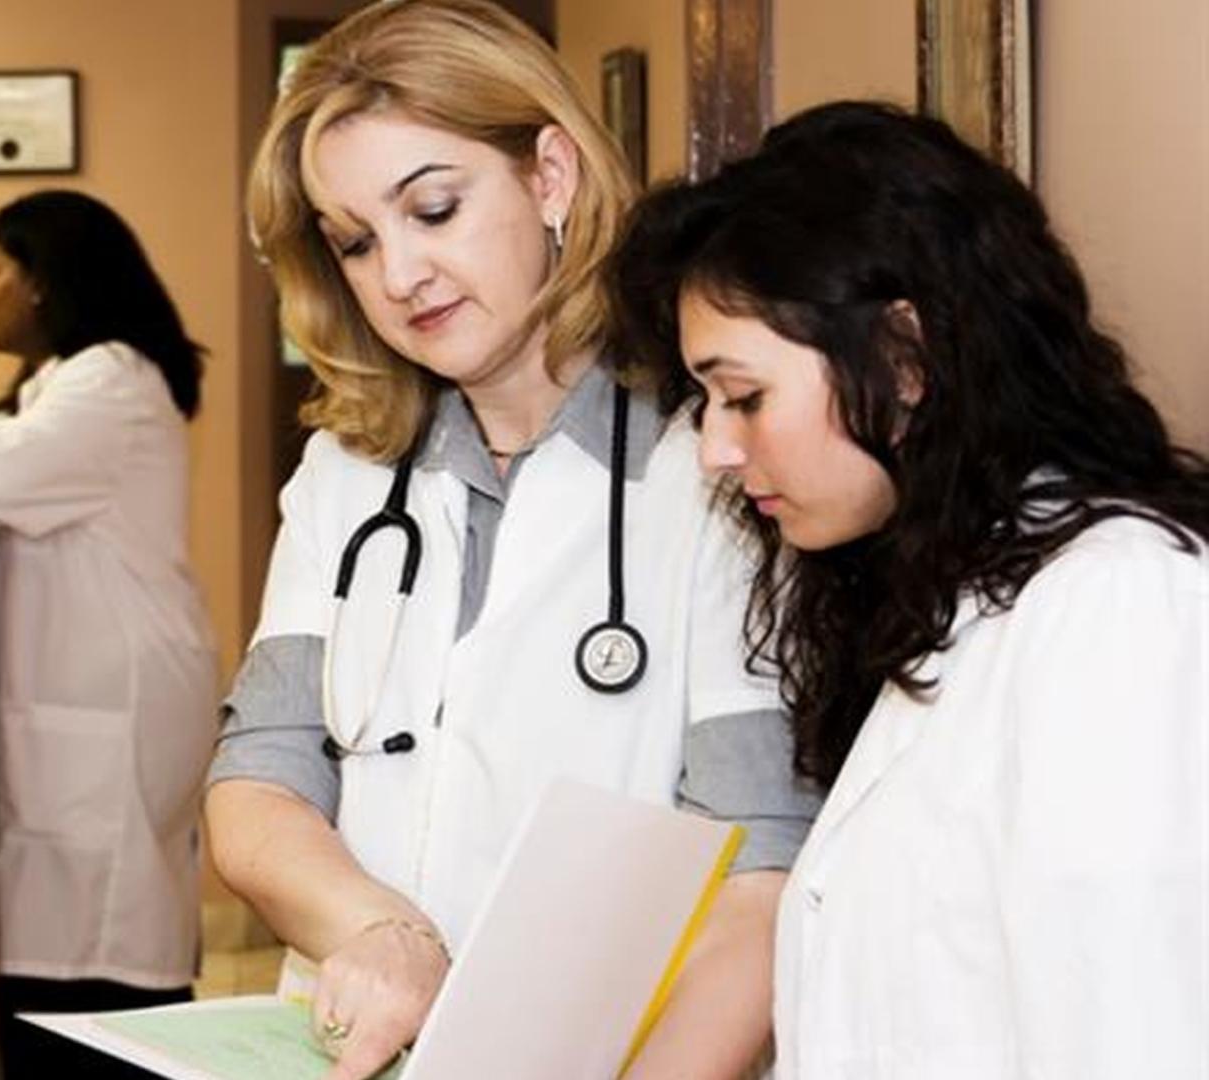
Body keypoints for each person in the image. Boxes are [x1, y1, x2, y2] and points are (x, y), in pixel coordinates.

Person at [205, 3, 822, 1077]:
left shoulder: (717, 460)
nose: (399, 276)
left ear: (550, 176)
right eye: (355, 241)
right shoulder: (349, 472)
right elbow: (258, 784)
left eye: (433, 209)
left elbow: (761, 862)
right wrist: (382, 933)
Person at [609, 100, 1209, 1077]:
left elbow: (1137, 1038)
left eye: (746, 396)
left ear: (903, 355)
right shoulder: (935, 611)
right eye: (706, 404)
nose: (717, 451)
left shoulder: (1120, 609)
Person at [0, 189, 218, 1078]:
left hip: (115, 700)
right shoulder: (69, 383)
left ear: (46, 283)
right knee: (82, 936)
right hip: (95, 695)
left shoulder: (110, 380)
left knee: (102, 963)